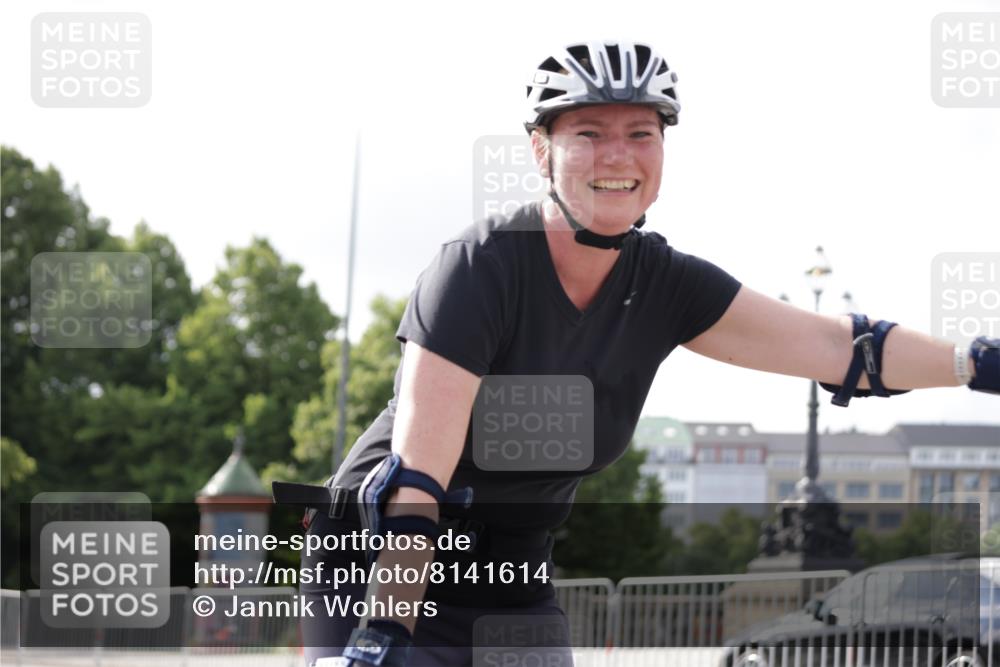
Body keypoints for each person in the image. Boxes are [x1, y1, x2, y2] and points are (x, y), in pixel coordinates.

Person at [272, 40, 999, 667]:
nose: (617, 156)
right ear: (540, 150)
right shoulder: (480, 266)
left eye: (642, 133)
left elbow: (845, 348)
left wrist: (976, 361)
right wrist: (379, 634)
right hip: (382, 559)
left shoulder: (665, 284)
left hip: (512, 571)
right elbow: (417, 482)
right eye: (588, 132)